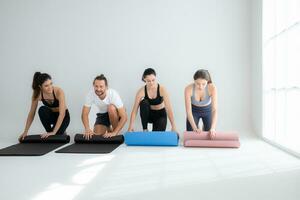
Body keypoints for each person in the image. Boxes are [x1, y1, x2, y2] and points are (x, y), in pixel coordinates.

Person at [19, 72, 70, 141]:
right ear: (40, 87)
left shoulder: (58, 91)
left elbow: (62, 114)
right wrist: (25, 132)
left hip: (63, 117)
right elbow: (31, 113)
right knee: (42, 110)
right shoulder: (37, 94)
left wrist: (54, 132)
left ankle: (56, 132)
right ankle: (49, 132)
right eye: (46, 86)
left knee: (57, 135)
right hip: (52, 116)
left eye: (51, 84)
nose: (50, 87)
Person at [128, 68, 177, 132]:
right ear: (144, 79)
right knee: (144, 102)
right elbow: (134, 110)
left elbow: (169, 109)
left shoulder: (162, 89)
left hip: (160, 115)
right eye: (148, 81)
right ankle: (145, 129)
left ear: (155, 78)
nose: (151, 83)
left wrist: (173, 126)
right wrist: (130, 126)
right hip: (149, 115)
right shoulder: (141, 91)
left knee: (156, 137)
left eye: (153, 80)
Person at [82, 74, 127, 139]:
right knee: (97, 136)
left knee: (111, 108)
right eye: (96, 86)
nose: (98, 89)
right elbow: (84, 114)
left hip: (115, 113)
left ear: (106, 87)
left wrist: (115, 133)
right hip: (102, 115)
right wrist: (87, 129)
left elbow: (124, 117)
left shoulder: (113, 94)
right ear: (93, 86)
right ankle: (109, 128)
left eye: (101, 86)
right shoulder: (90, 94)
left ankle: (114, 132)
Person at [184, 69, 218, 139]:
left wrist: (213, 128)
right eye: (198, 83)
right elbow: (188, 112)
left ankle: (204, 127)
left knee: (210, 135)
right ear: (194, 81)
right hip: (194, 111)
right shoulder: (188, 89)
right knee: (192, 134)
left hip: (207, 111)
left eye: (203, 84)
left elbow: (214, 110)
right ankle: (197, 126)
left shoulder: (212, 88)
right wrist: (195, 128)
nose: (200, 87)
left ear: (207, 82)